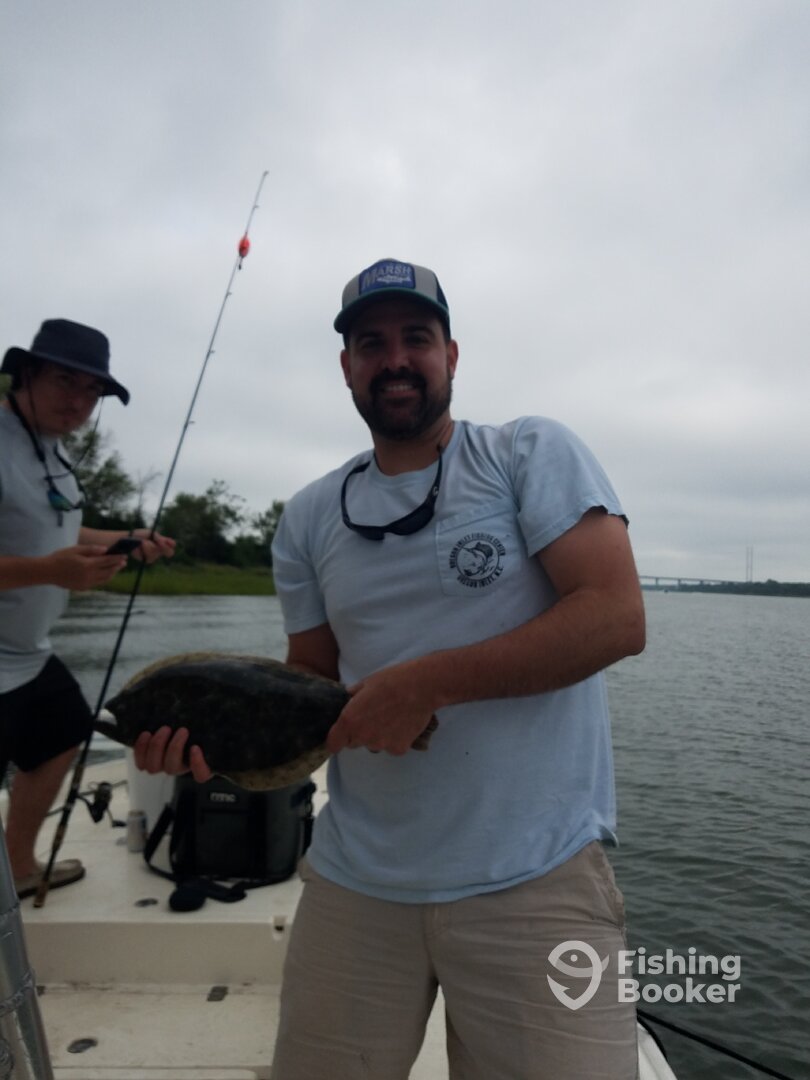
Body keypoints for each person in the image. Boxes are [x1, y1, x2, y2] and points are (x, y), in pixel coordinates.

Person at [137, 259, 646, 1079]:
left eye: (417, 337)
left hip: (536, 881)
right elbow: (307, 687)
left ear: (452, 355)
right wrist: (214, 748)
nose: (396, 359)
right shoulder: (309, 517)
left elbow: (615, 616)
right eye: (371, 344)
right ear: (347, 367)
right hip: (357, 882)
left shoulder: (527, 453)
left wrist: (426, 684)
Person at [0, 318, 175, 899]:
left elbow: (56, 530)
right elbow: (48, 556)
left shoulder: (50, 452)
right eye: (64, 381)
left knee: (64, 732)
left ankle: (17, 867)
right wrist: (50, 572)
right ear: (26, 374)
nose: (79, 401)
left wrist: (124, 539)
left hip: (26, 654)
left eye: (92, 391)